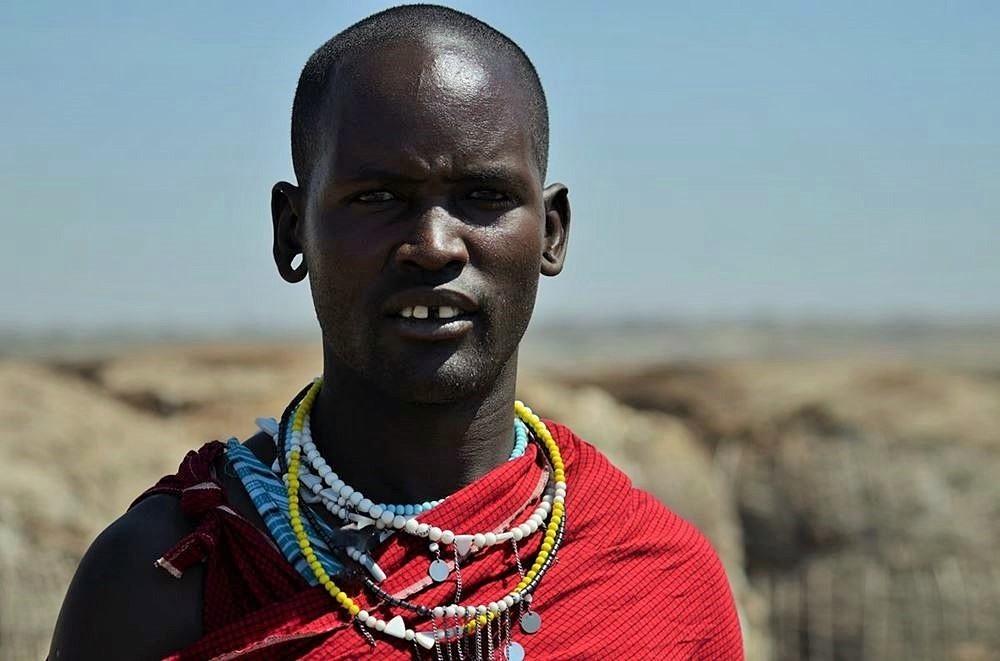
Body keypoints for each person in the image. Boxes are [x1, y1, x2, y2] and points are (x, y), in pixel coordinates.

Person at [50, 5, 743, 659]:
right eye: (378, 197)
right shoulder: (161, 578)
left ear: (551, 233)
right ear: (292, 231)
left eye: (485, 196)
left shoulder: (659, 581)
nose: (434, 246)